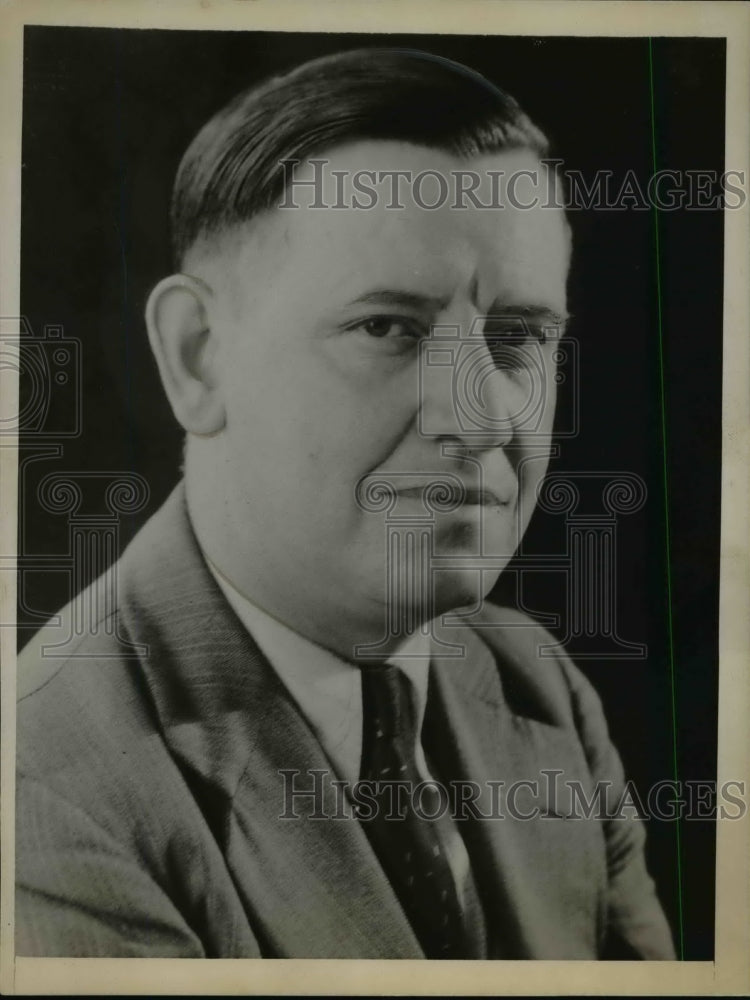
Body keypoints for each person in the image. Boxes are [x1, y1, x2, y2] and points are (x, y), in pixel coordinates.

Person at [16, 47, 675, 959]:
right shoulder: (42, 804)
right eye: (389, 329)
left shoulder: (535, 681)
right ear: (197, 357)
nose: (481, 417)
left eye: (520, 337)